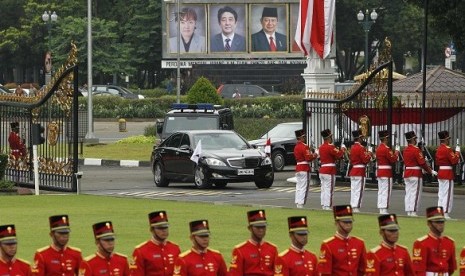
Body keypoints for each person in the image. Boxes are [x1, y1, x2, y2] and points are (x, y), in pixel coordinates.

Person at [318, 205, 366, 275]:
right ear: (336, 223)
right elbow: (325, 272)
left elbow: (362, 269)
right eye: (345, 222)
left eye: (350, 222)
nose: (348, 224)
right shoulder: (328, 245)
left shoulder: (359, 243)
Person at [130, 211, 181, 276]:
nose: (164, 230)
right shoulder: (140, 251)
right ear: (152, 230)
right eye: (160, 228)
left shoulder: (175, 248)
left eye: (165, 227)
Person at [229, 210, 278, 275]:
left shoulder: (273, 249)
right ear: (249, 228)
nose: (261, 230)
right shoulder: (239, 250)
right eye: (257, 227)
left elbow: (278, 272)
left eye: (263, 227)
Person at [411, 206, 456, 275]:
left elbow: (452, 267)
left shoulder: (449, 242)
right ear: (429, 224)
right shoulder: (421, 243)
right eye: (437, 222)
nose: (441, 224)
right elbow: (418, 269)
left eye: (442, 222)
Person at [403, 131, 435, 217]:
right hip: (415, 173)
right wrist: (430, 171)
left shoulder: (405, 150)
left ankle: (408, 210)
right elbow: (422, 163)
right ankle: (413, 211)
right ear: (413, 139)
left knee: (408, 193)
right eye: (415, 138)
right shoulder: (416, 150)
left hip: (407, 173)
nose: (416, 140)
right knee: (415, 193)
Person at [318, 129, 346, 210]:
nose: (332, 138)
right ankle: (327, 206)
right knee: (329, 189)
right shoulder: (331, 147)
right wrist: (343, 149)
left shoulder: (321, 147)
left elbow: (333, 156)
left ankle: (323, 205)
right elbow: (340, 154)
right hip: (329, 171)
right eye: (331, 137)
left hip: (322, 170)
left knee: (323, 189)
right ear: (329, 137)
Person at [435, 130, 460, 219]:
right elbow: (454, 160)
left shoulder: (438, 149)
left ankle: (439, 212)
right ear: (445, 139)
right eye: (448, 139)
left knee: (441, 194)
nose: (449, 140)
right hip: (447, 173)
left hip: (441, 172)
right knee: (447, 194)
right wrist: (457, 152)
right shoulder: (447, 149)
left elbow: (437, 162)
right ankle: (445, 213)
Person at [348, 129, 373, 212]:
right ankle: (356, 206)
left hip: (353, 170)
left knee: (353, 189)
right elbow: (365, 160)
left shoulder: (352, 147)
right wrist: (369, 153)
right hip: (360, 171)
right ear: (359, 138)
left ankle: (352, 205)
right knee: (359, 190)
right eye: (361, 137)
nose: (362, 139)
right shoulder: (361, 148)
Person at [375, 130, 399, 214]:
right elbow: (393, 159)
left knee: (381, 191)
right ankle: (384, 208)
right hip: (386, 172)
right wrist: (396, 152)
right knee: (386, 191)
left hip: (380, 171)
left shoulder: (378, 149)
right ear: (385, 138)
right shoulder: (386, 149)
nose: (388, 140)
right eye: (387, 138)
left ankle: (381, 208)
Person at [293, 129, 318, 209]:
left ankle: (298, 202)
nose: (305, 138)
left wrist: (309, 151)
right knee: (304, 187)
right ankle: (301, 203)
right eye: (304, 137)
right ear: (302, 137)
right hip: (304, 168)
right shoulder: (304, 146)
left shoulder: (296, 146)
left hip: (298, 167)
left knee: (299, 186)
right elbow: (308, 158)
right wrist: (315, 154)